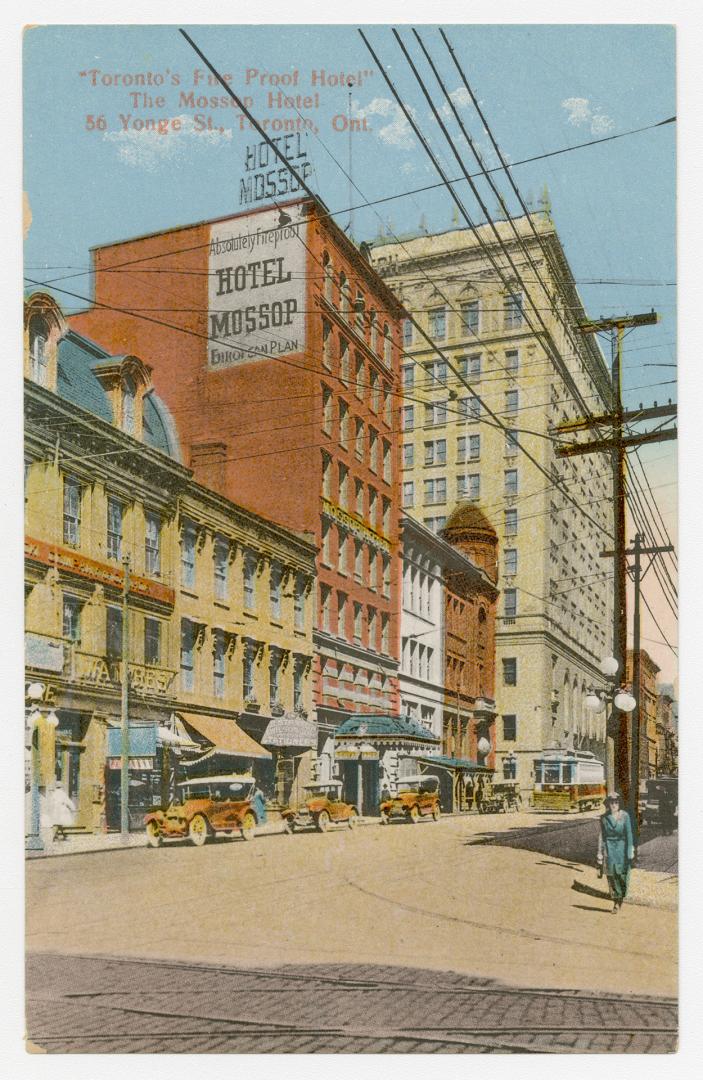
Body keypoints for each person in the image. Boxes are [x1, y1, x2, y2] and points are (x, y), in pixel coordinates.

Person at [597, 792, 635, 913]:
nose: (614, 805)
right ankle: (616, 902)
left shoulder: (625, 816)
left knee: (622, 875)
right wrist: (599, 853)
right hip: (609, 848)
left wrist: (630, 849)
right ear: (608, 804)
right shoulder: (603, 818)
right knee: (611, 875)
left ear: (619, 804)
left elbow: (629, 833)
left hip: (622, 848)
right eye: (611, 802)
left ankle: (621, 896)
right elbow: (601, 836)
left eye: (616, 802)